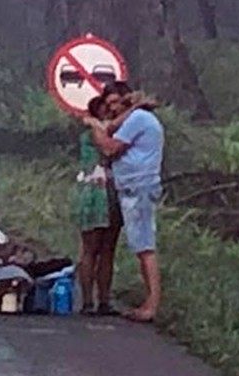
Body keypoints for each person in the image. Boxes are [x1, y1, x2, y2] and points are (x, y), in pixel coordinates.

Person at [86, 87, 164, 323]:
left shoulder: (138, 118)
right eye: (109, 104)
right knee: (141, 246)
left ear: (127, 100)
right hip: (133, 186)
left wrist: (94, 126)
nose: (112, 108)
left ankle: (152, 304)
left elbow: (109, 146)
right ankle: (149, 301)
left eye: (117, 103)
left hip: (138, 187)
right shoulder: (135, 116)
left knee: (145, 247)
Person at [74, 96, 123, 317]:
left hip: (107, 190)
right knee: (93, 249)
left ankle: (101, 301)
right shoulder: (96, 133)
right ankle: (88, 301)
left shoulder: (103, 131)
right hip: (96, 191)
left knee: (106, 250)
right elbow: (108, 151)